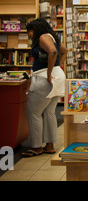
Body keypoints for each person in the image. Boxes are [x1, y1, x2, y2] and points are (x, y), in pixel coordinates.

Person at [22, 18, 67, 157]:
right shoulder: (52, 37)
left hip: (44, 79)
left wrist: (49, 73)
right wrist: (57, 67)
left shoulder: (42, 37)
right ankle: (50, 145)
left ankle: (36, 147)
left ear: (34, 29)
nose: (29, 36)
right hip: (57, 77)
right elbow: (64, 51)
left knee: (33, 112)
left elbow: (53, 52)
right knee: (49, 112)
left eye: (29, 33)